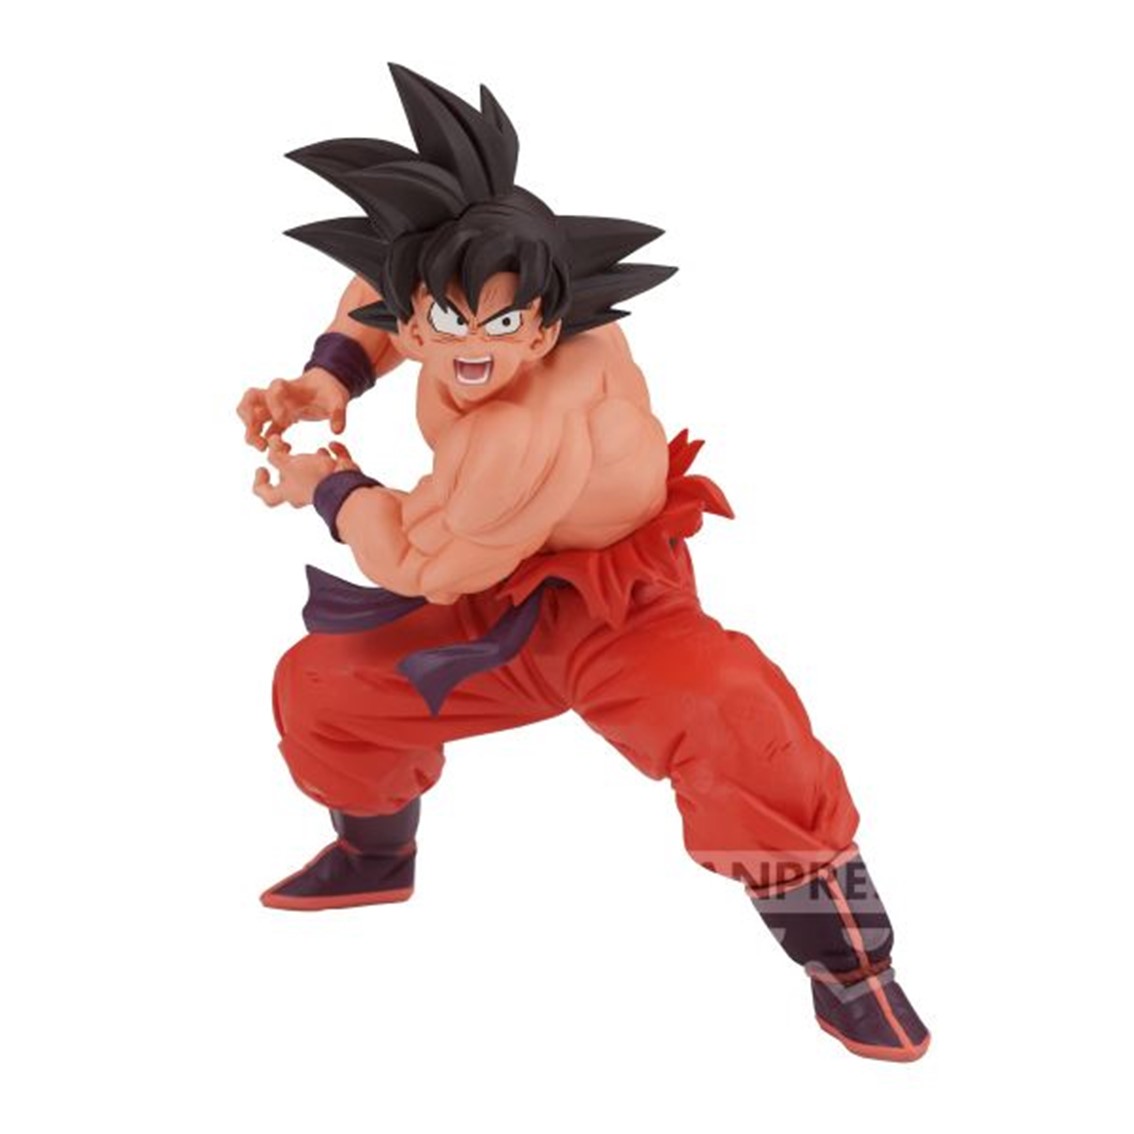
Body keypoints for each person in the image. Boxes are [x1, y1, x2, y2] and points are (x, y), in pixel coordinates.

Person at [238, 64, 929, 1062]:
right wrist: (331, 374)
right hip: (495, 593)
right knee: (326, 688)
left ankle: (853, 970)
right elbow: (384, 281)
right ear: (418, 315)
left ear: (550, 324)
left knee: (734, 718)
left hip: (616, 604)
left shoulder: (525, 433)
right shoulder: (468, 288)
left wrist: (329, 486)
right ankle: (373, 855)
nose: (471, 343)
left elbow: (420, 563)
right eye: (446, 318)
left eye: (502, 324)